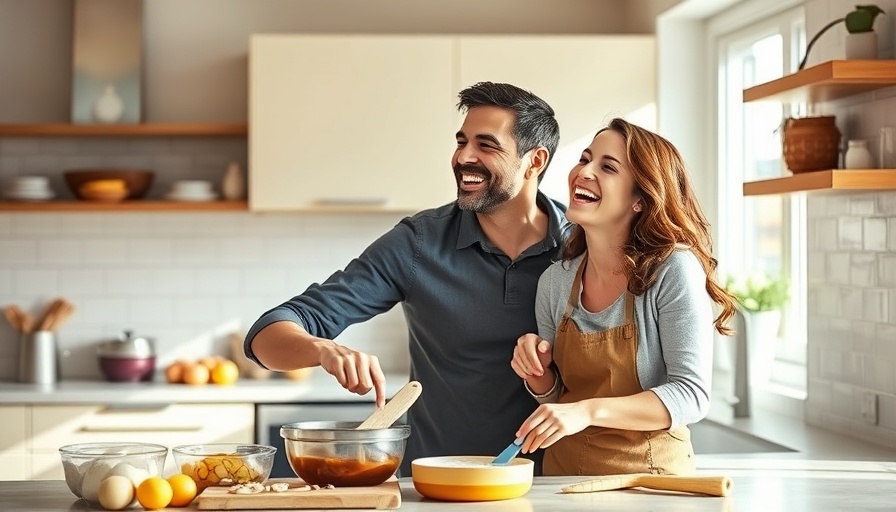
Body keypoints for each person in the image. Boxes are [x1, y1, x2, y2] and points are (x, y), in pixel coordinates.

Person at [244, 81, 568, 475]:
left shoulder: (583, 245)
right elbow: (267, 336)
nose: (463, 156)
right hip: (435, 485)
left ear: (535, 161)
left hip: (556, 485)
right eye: (461, 141)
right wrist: (321, 349)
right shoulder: (418, 243)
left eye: (486, 145)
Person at [510, 118, 737, 476]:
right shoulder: (555, 281)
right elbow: (558, 400)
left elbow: (691, 395)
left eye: (607, 166)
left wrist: (587, 411)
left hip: (650, 482)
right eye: (585, 159)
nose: (584, 171)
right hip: (563, 480)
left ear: (640, 200)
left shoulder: (672, 270)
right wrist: (536, 371)